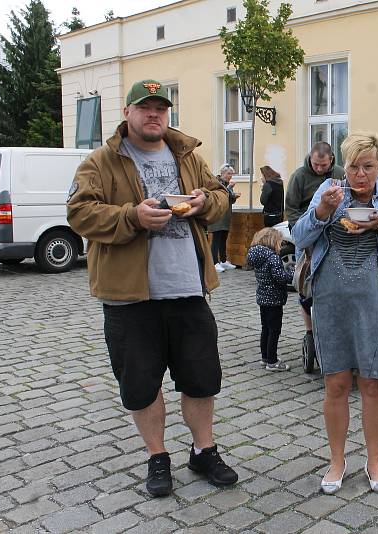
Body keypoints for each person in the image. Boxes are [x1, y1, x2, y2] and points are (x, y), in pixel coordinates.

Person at [66, 79, 239, 498]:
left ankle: (203, 450)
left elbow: (219, 195)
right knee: (141, 384)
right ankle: (157, 456)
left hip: (188, 290)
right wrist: (132, 217)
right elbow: (79, 213)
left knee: (201, 379)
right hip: (130, 298)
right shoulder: (101, 161)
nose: (154, 114)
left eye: (161, 108)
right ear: (127, 114)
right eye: (145, 108)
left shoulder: (187, 154)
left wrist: (204, 203)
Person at [291, 132, 378, 495]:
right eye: (353, 167)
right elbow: (299, 237)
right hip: (331, 301)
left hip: (375, 303)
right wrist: (321, 213)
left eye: (368, 166)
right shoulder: (329, 191)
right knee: (335, 383)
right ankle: (337, 460)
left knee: (373, 384)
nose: (360, 174)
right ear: (342, 166)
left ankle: (374, 461)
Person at [285, 142, 345, 362]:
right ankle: (310, 330)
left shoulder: (339, 174)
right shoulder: (299, 176)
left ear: (331, 160)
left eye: (323, 165)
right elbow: (290, 208)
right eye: (315, 164)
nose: (319, 168)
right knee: (306, 282)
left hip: (333, 230)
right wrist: (301, 232)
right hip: (306, 229)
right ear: (311, 158)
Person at [247, 227, 293, 371]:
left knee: (265, 328)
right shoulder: (272, 257)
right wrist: (292, 273)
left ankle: (265, 356)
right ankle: (272, 362)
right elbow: (280, 277)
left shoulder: (257, 255)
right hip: (274, 300)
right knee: (274, 330)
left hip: (262, 298)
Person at [209, 164, 241, 273]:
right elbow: (219, 196)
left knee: (223, 238)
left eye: (231, 174)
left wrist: (233, 195)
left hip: (226, 216)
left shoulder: (227, 185)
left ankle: (223, 260)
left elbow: (229, 200)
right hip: (218, 215)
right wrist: (229, 189)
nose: (230, 176)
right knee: (216, 240)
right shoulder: (216, 183)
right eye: (228, 173)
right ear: (222, 173)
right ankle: (214, 262)